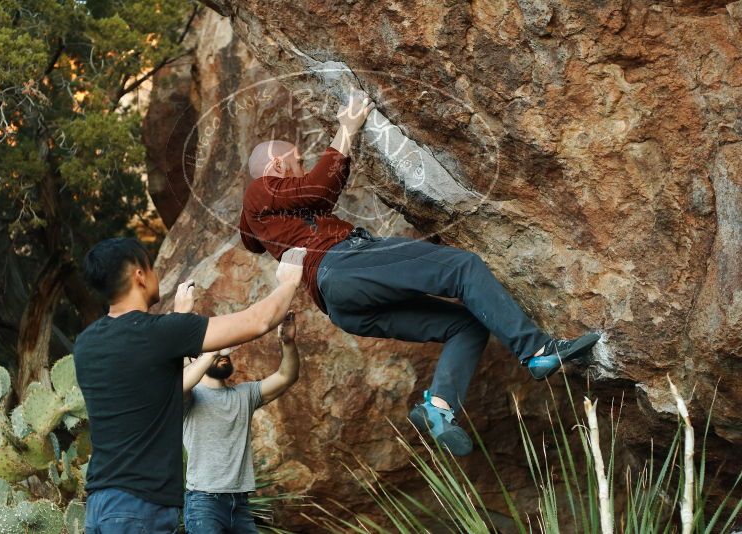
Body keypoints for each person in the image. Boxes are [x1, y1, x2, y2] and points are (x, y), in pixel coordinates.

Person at [238, 91, 600, 456]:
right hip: (345, 264)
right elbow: (318, 186)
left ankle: (438, 408)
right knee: (461, 267)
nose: (301, 167)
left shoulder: (268, 216)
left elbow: (299, 210)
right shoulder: (259, 191)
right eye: (297, 162)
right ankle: (536, 351)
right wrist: (346, 129)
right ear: (277, 168)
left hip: (343, 308)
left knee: (466, 325)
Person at [74, 237, 305, 533]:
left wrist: (180, 319)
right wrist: (289, 281)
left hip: (99, 504)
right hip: (140, 508)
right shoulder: (157, 334)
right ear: (139, 275)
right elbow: (258, 321)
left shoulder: (86, 344)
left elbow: (148, 379)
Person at [181, 310, 301, 534]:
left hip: (241, 504)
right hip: (204, 503)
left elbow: (286, 376)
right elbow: (179, 385)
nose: (223, 352)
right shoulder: (190, 396)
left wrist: (288, 342)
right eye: (214, 347)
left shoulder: (244, 395)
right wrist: (212, 349)